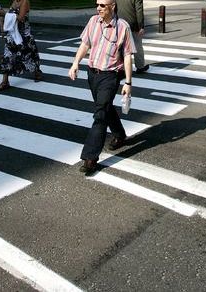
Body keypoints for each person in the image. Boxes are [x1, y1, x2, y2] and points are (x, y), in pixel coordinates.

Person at [68, 0, 136, 175]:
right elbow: (85, 44)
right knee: (104, 107)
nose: (98, 8)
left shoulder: (123, 27)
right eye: (97, 4)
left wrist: (128, 82)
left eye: (102, 5)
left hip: (110, 75)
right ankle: (119, 135)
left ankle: (90, 158)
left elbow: (128, 56)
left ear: (112, 6)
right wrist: (75, 63)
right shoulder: (93, 21)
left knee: (100, 115)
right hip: (92, 74)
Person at [0, 0, 42, 90]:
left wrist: (4, 14)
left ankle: (37, 72)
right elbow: (10, 17)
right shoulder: (14, 2)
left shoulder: (25, 2)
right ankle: (5, 81)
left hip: (24, 34)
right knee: (7, 56)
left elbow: (21, 18)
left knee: (29, 54)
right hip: (13, 33)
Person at [116, 0, 149, 73]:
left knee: (121, 46)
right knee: (137, 46)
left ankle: (121, 67)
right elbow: (139, 10)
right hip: (133, 24)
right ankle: (140, 67)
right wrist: (141, 26)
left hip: (120, 23)